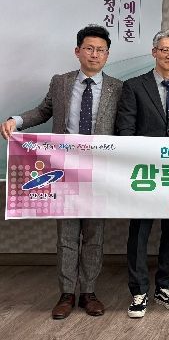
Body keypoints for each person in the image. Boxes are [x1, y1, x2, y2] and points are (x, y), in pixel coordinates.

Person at [0, 24, 122, 319]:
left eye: (101, 50)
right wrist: (16, 120)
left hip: (99, 170)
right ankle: (67, 293)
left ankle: (89, 292)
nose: (95, 54)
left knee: (94, 234)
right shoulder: (61, 82)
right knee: (67, 234)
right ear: (78, 51)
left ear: (107, 55)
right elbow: (43, 112)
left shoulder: (119, 87)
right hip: (62, 169)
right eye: (89, 48)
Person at [115, 29, 169, 318]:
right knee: (139, 231)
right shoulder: (134, 86)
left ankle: (165, 286)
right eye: (165, 50)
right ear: (154, 52)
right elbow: (125, 128)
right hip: (144, 171)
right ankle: (138, 291)